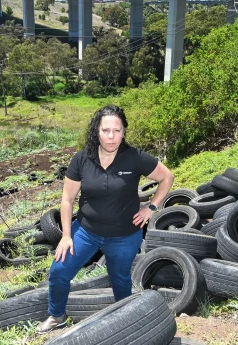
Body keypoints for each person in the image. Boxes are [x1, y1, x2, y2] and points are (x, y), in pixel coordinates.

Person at [37, 104, 175, 333]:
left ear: (123, 132)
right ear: (97, 131)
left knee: (120, 279)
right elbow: (67, 200)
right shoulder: (82, 159)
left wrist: (151, 208)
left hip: (124, 234)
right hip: (86, 231)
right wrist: (66, 236)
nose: (111, 136)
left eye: (117, 131)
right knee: (59, 270)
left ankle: (125, 322)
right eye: (106, 130)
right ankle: (57, 315)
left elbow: (167, 177)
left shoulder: (135, 157)